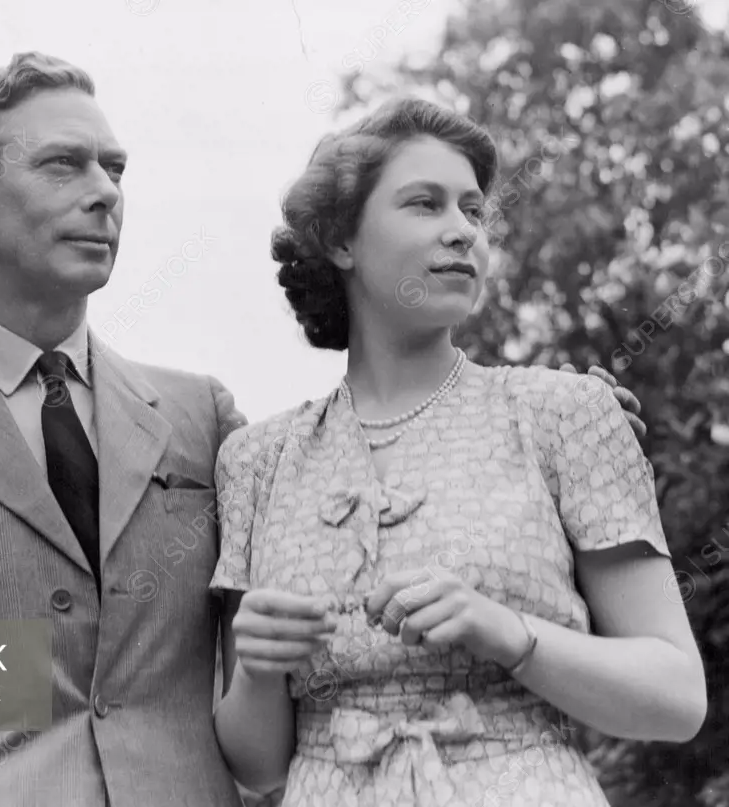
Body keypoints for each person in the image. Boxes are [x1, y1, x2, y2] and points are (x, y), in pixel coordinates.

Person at [0, 54, 647, 806]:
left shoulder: (206, 418)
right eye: (65, 165)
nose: (105, 193)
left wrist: (549, 411)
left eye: (116, 168)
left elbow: (353, 464)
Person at [209, 98, 707, 807]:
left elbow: (676, 698)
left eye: (472, 211)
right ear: (341, 242)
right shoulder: (253, 461)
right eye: (425, 204)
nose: (462, 233)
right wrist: (258, 670)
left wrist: (508, 632)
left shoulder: (565, 413)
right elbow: (256, 767)